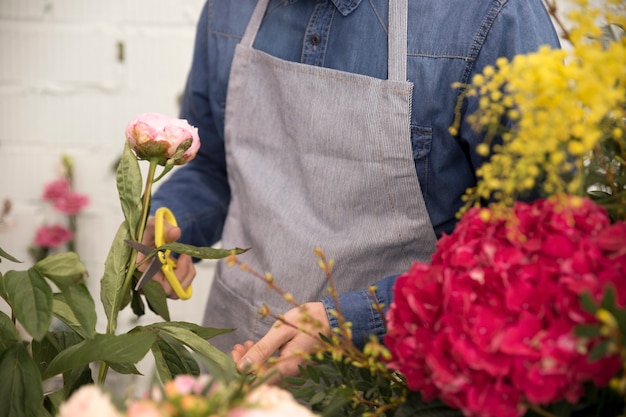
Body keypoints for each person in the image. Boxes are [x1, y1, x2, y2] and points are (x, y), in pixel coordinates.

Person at [145, 0, 560, 379]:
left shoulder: (491, 17)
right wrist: (172, 224)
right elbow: (215, 164)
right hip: (234, 360)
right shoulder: (229, 10)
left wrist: (356, 321)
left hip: (390, 383)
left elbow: (530, 250)